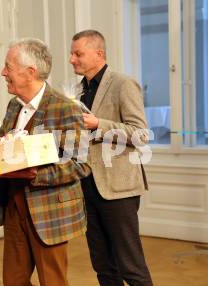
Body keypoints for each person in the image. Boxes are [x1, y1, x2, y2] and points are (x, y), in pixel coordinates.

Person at [0, 38, 90, 286]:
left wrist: (36, 174)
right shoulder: (13, 107)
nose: (3, 72)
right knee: (13, 281)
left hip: (48, 214)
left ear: (30, 72)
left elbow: (80, 163)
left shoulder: (65, 108)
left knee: (52, 282)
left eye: (8, 67)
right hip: (13, 209)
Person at [69, 29, 153, 286]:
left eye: (78, 53)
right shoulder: (76, 90)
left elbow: (141, 134)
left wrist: (98, 124)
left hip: (118, 190)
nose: (72, 59)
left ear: (99, 54)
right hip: (87, 186)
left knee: (131, 266)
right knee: (103, 265)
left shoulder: (123, 83)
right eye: (71, 54)